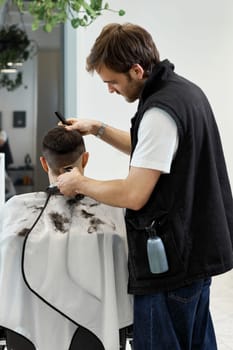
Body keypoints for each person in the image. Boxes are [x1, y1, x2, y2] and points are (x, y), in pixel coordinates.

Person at [56, 23, 233, 349]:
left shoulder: (159, 112)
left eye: (112, 82)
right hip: (195, 251)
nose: (110, 89)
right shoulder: (183, 92)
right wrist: (97, 128)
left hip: (171, 263)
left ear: (136, 70)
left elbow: (133, 195)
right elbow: (151, 151)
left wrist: (80, 182)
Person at [0, 126, 132, 350]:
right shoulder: (112, 213)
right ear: (86, 159)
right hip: (96, 335)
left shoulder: (15, 212)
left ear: (44, 163)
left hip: (28, 333)